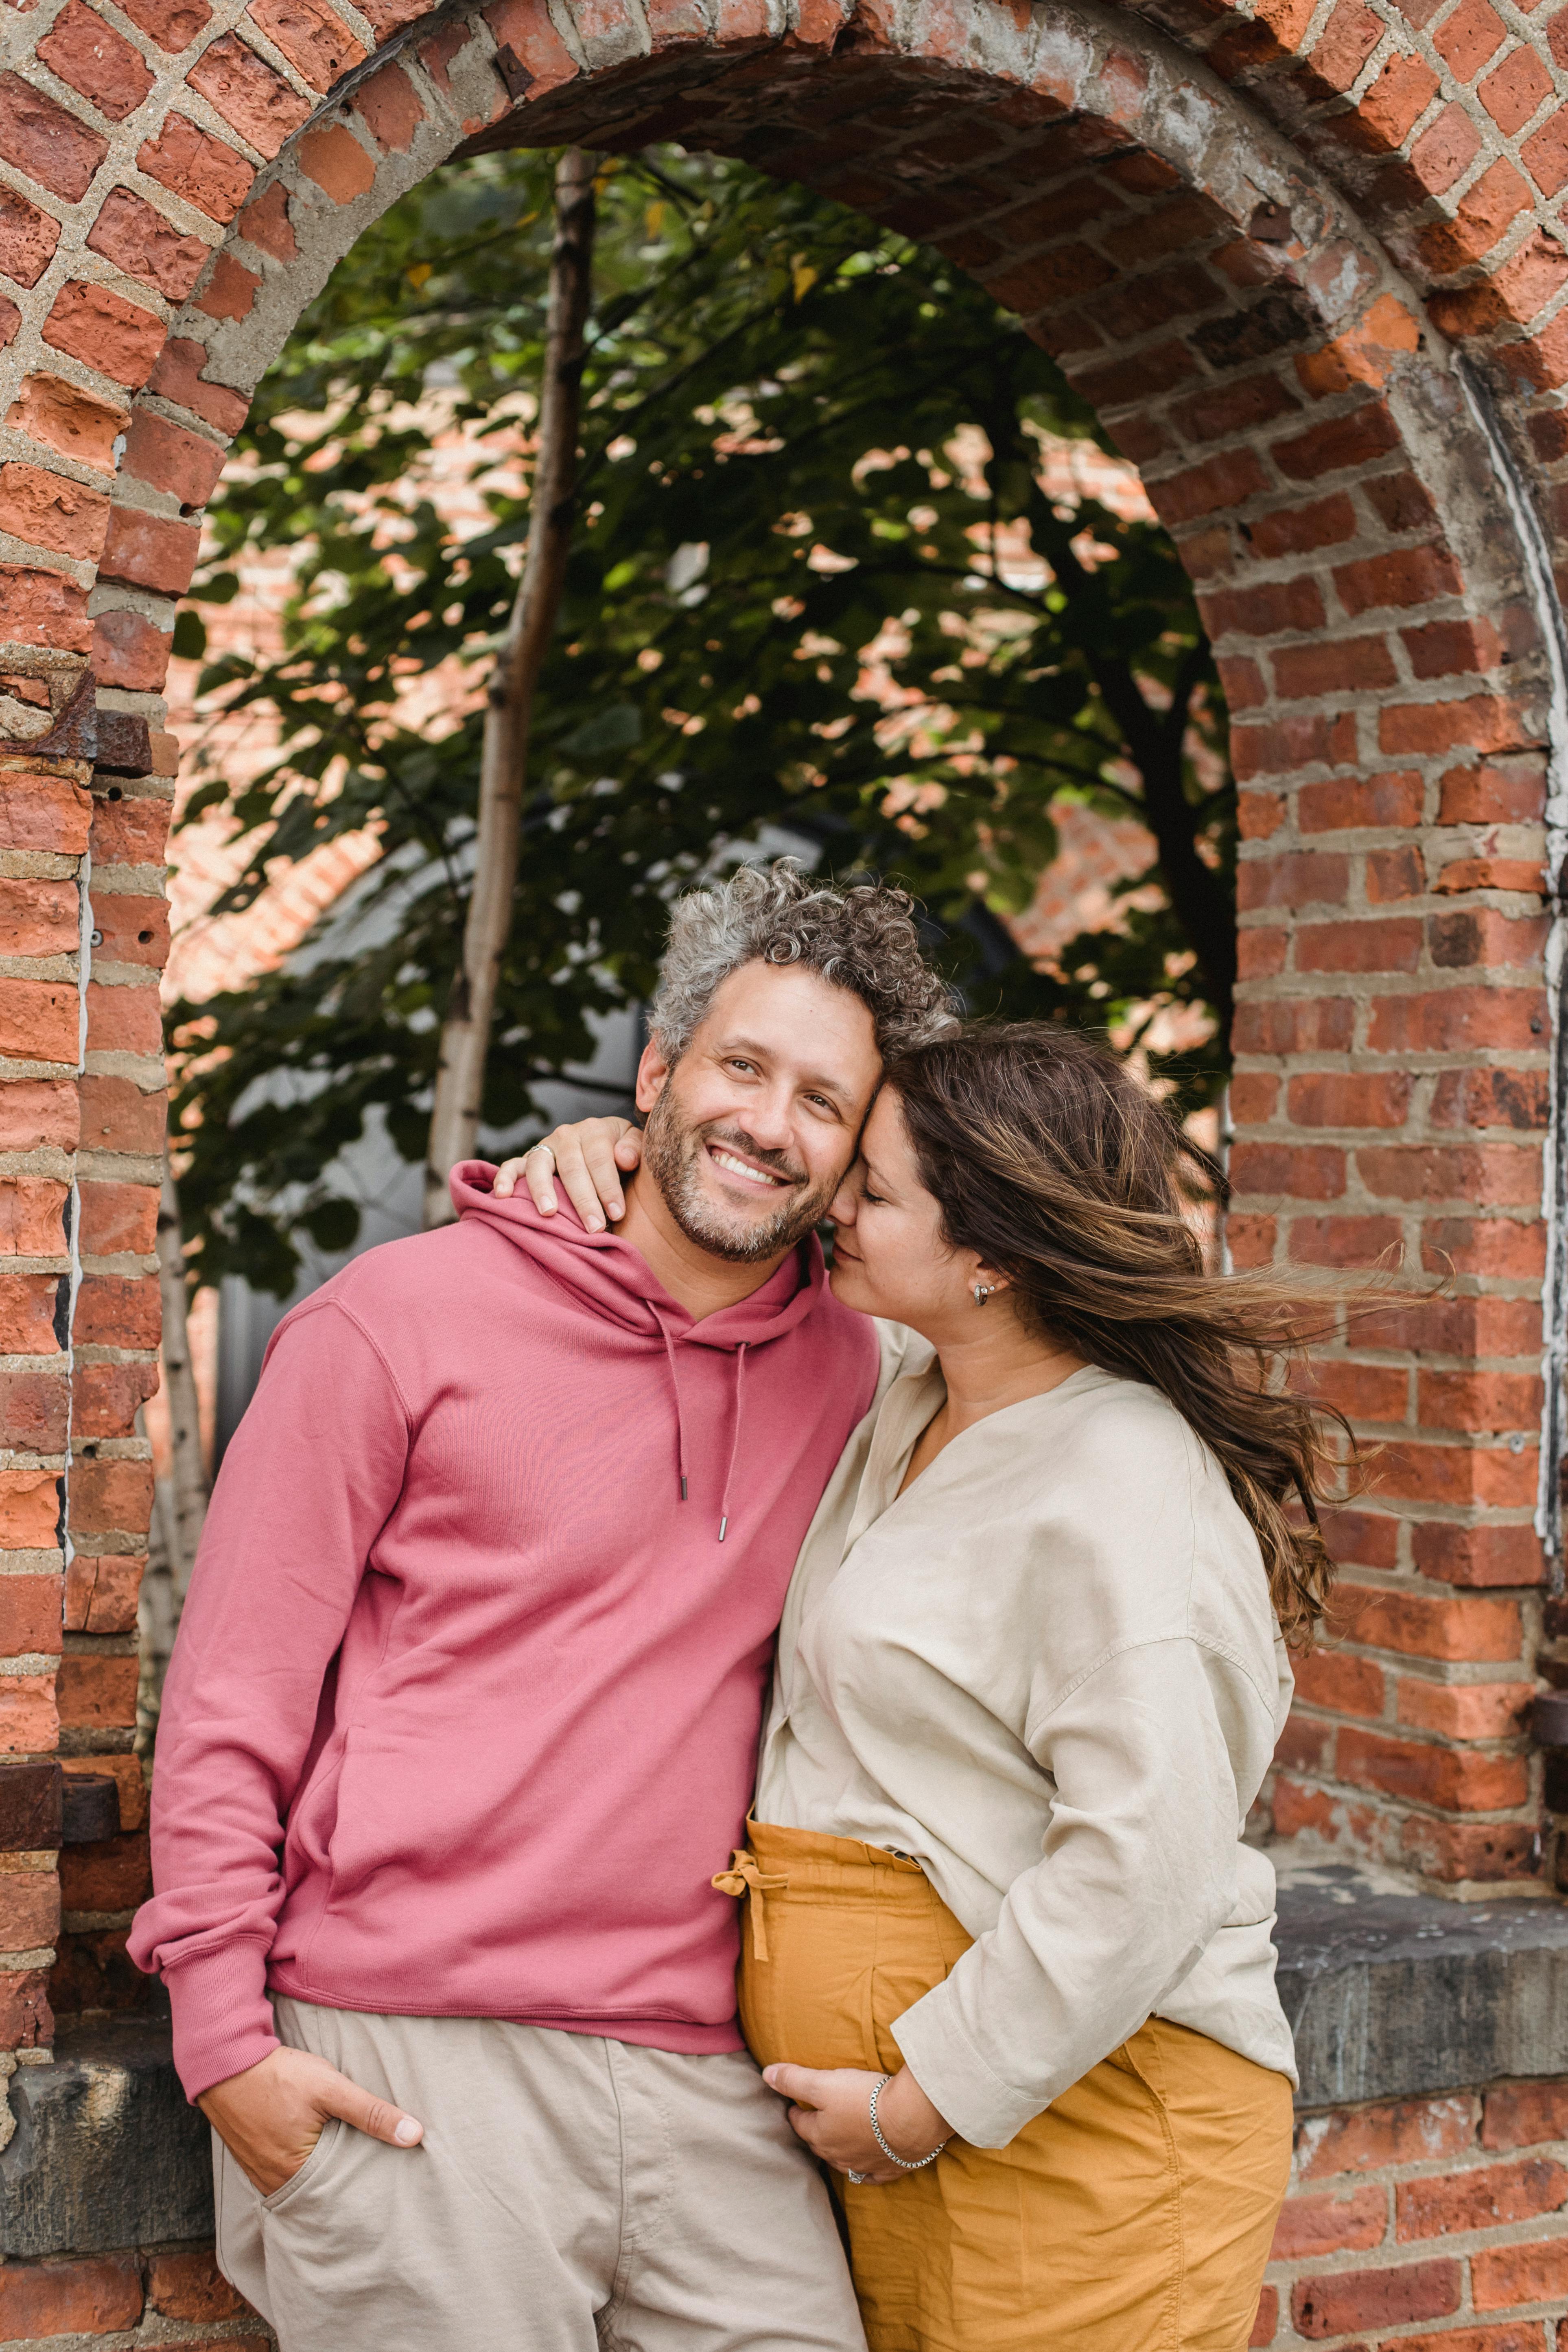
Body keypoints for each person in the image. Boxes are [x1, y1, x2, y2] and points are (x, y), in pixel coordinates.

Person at [129, 862, 957, 2352]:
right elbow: (230, 1697)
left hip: (716, 2074)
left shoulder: (874, 1379)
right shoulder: (390, 1324)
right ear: (658, 1071)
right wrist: (220, 2037)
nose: (770, 1123)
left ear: (852, 1161)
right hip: (415, 2054)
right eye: (742, 1066)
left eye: (822, 1104)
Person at [509, 1024, 1343, 2352]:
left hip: (1086, 2127)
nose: (835, 1202)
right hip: (916, 2127)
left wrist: (920, 2105)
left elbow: (1147, 1859)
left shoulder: (1124, 1481)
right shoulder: (912, 1392)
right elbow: (720, 1284)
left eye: (877, 1192)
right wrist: (624, 1169)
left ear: (994, 1256)